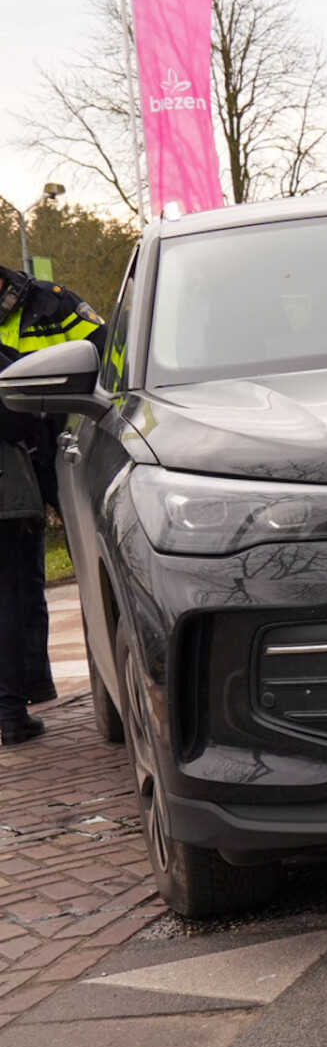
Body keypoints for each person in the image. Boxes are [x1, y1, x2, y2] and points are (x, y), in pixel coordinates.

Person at [0, 264, 103, 745]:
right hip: (18, 453)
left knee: (37, 580)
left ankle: (35, 685)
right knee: (16, 586)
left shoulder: (52, 302)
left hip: (62, 442)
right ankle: (15, 701)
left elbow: (106, 355)